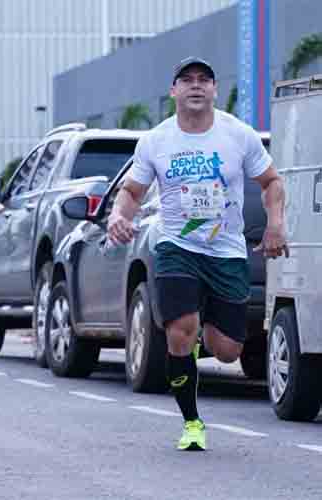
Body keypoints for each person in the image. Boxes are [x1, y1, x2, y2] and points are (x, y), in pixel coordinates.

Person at [107, 57, 287, 451]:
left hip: (226, 251)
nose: (195, 86)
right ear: (174, 91)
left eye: (204, 80)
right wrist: (119, 215)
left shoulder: (238, 135)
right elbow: (132, 192)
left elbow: (271, 181)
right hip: (176, 246)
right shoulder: (156, 140)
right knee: (178, 333)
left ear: (214, 90)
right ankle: (191, 422)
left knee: (227, 351)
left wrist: (275, 223)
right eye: (186, 80)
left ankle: (202, 332)